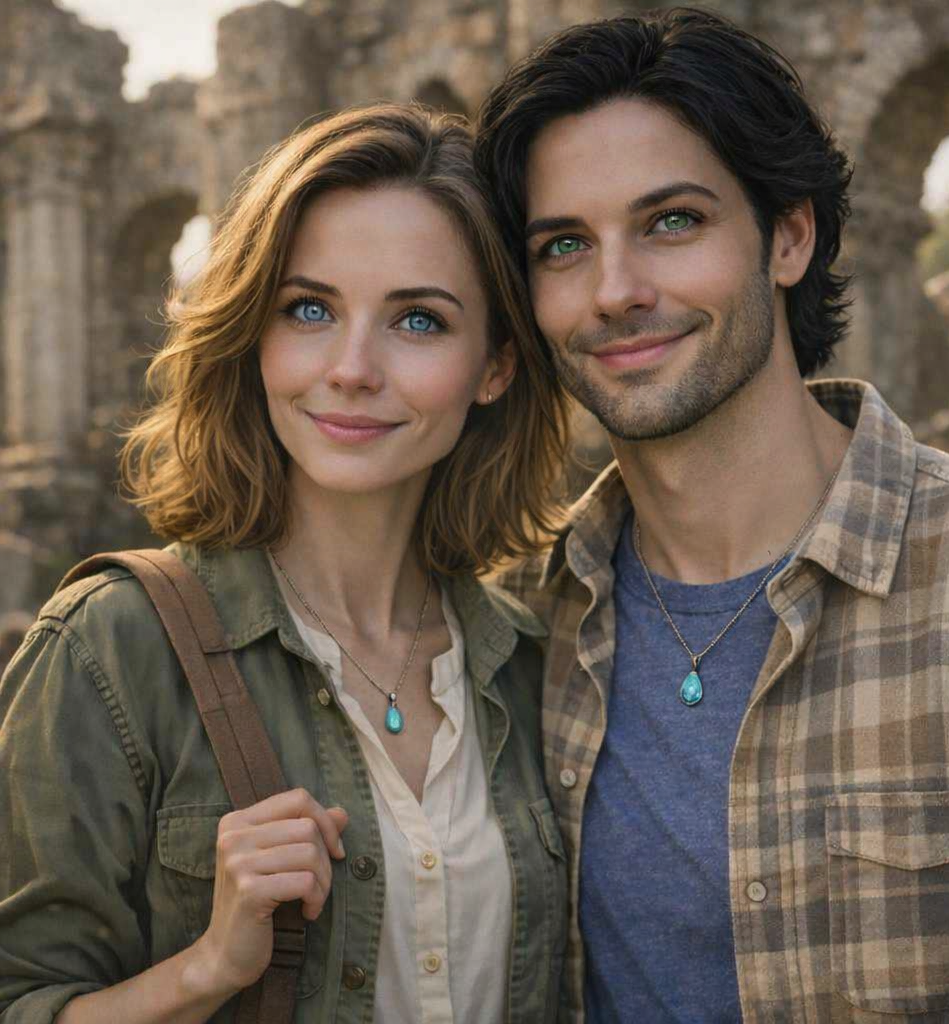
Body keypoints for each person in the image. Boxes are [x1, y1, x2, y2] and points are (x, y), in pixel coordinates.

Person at [475, 8, 949, 1023]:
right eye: (563, 245)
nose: (615, 291)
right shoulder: (512, 624)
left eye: (671, 222)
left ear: (788, 235)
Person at [0, 104, 569, 1024]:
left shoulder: (536, 663)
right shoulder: (106, 651)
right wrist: (206, 969)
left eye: (418, 320)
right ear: (253, 334)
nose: (351, 368)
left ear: (495, 366)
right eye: (309, 310)